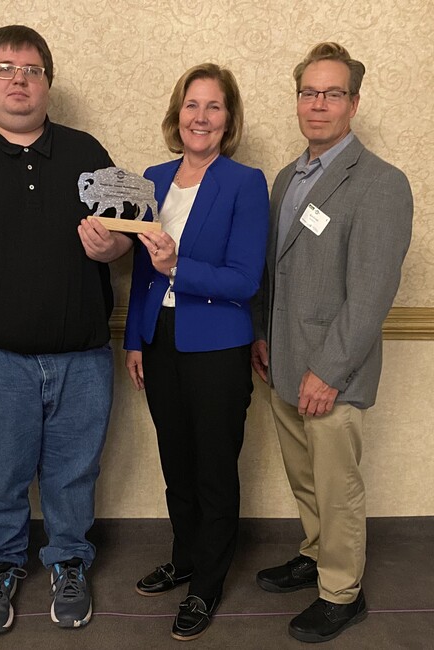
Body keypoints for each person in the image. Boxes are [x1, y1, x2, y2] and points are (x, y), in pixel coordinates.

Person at [0, 25, 133, 635]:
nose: (18, 79)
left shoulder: (88, 152)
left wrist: (111, 245)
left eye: (32, 69)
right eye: (5, 67)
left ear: (48, 83)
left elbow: (122, 237)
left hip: (83, 357)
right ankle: (0, 568)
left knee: (73, 476)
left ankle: (69, 563)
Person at [250, 42, 413, 644]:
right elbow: (275, 268)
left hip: (332, 373)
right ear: (298, 100)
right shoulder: (288, 179)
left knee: (337, 484)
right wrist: (262, 335)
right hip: (283, 360)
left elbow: (371, 295)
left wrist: (329, 371)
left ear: (354, 102)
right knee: (305, 478)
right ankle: (318, 553)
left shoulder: (379, 183)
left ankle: (341, 591)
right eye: (308, 92)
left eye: (332, 93)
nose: (318, 104)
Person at [124, 63, 269, 642]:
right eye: (191, 105)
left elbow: (245, 279)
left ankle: (207, 582)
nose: (200, 117)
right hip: (161, 344)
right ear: (176, 113)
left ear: (228, 119)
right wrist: (135, 337)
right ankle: (185, 557)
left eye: (213, 106)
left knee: (213, 467)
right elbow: (140, 268)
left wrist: (180, 265)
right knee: (176, 461)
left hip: (217, 348)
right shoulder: (152, 179)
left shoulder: (244, 182)